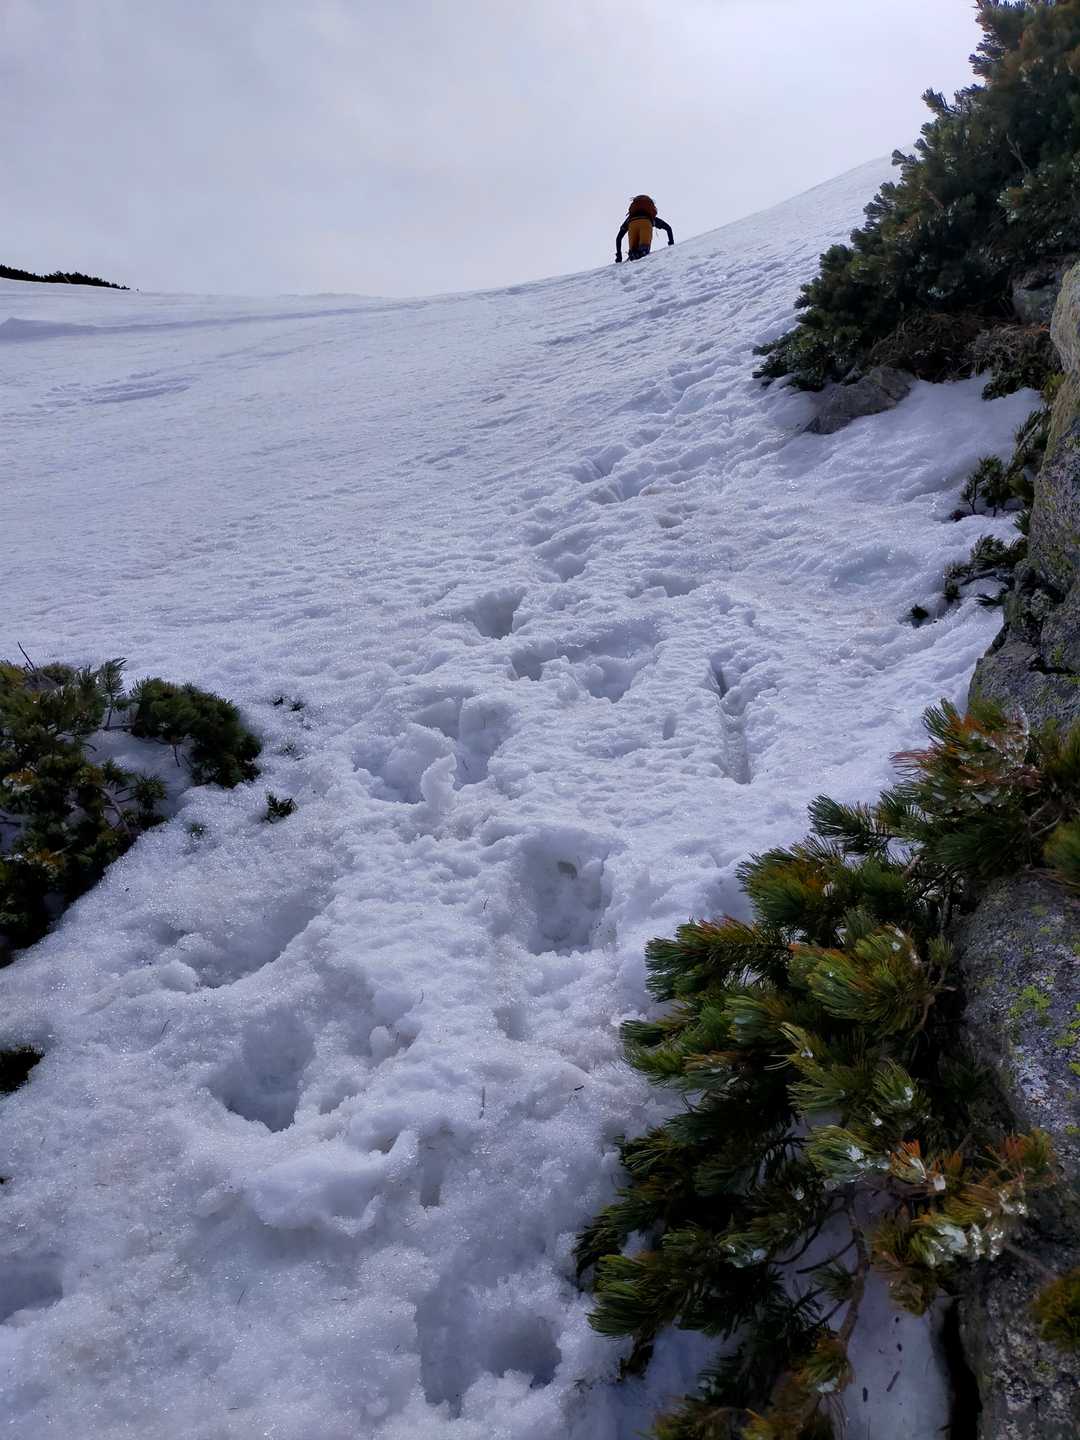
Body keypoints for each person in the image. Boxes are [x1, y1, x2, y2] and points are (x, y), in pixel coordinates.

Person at [615, 195, 674, 263]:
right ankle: (642, 253)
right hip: (646, 223)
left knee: (633, 252)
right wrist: (671, 244)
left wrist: (619, 256)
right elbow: (668, 228)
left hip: (632, 224)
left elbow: (619, 238)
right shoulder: (650, 217)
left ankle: (633, 255)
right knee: (644, 250)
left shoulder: (629, 219)